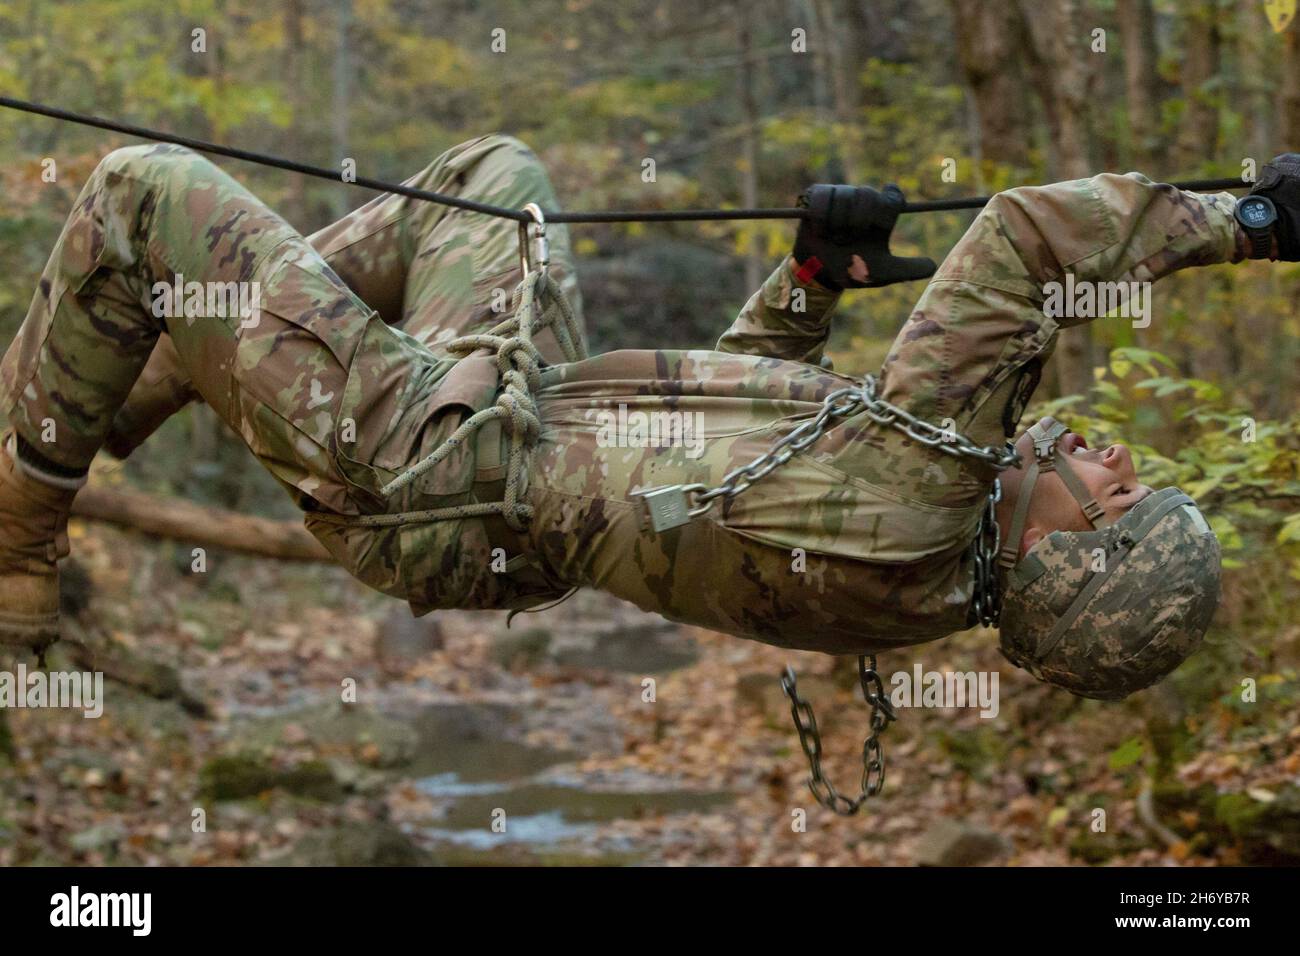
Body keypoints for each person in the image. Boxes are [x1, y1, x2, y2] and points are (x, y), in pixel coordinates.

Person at [4, 134, 1283, 699]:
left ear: (1063, 559)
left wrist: (1252, 225)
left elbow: (1022, 240)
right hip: (504, 434)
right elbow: (706, 411)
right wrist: (806, 284)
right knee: (493, 180)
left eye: (1113, 493)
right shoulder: (919, 550)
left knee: (137, 189)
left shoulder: (934, 493)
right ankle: (151, 355)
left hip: (430, 469)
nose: (1111, 456)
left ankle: (17, 531)